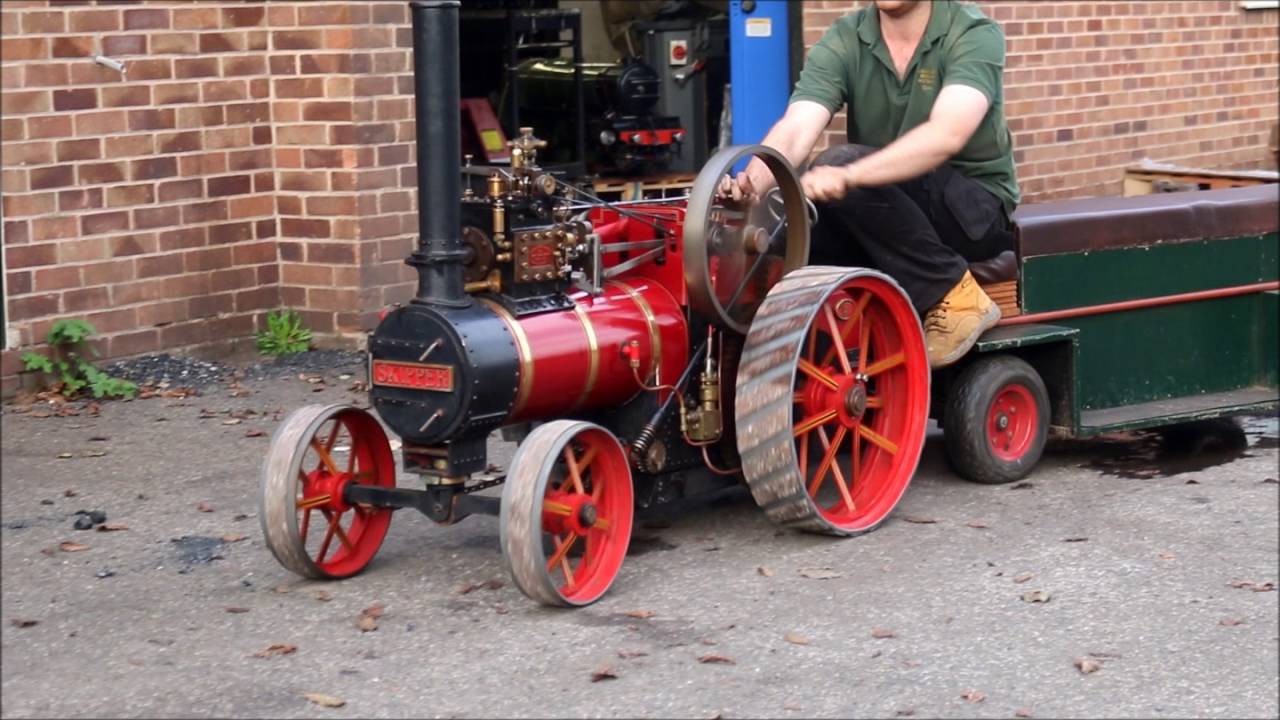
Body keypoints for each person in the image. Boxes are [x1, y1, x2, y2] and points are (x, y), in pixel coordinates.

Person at [725, 0, 1019, 368]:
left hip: (972, 210)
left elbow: (948, 134)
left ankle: (955, 294)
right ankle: (795, 351)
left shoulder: (972, 33)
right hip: (884, 204)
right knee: (787, 225)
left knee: (838, 163)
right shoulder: (848, 37)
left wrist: (850, 175)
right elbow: (798, 127)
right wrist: (751, 183)